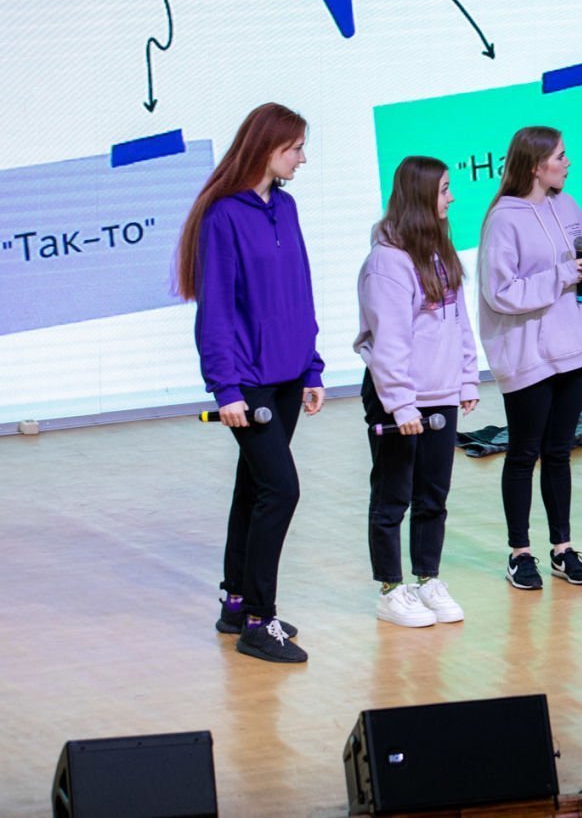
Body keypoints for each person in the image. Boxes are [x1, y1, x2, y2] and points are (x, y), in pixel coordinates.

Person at [176, 103, 324, 664]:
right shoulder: (223, 216)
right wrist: (226, 389)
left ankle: (236, 603)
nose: (302, 158)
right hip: (249, 381)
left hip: (288, 376)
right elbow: (214, 309)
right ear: (267, 148)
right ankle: (260, 623)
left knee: (255, 487)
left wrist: (312, 366)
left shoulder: (285, 207)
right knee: (282, 491)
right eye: (296, 149)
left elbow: (300, 290)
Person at [478, 126, 582, 590]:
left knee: (558, 452)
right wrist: (563, 274)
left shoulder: (567, 205)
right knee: (523, 452)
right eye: (560, 156)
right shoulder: (503, 219)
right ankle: (520, 553)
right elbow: (500, 292)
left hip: (575, 345)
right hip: (528, 353)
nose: (567, 163)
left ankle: (562, 549)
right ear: (536, 165)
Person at [354, 157, 481, 627]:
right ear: (421, 195)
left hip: (440, 393)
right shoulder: (386, 262)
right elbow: (389, 342)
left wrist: (466, 378)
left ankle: (428, 578)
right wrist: (401, 404)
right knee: (393, 495)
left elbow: (459, 323)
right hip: (397, 398)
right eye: (444, 189)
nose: (451, 198)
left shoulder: (441, 252)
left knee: (433, 495)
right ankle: (391, 589)